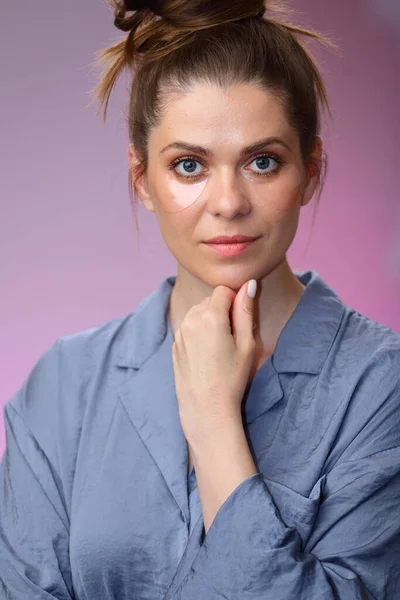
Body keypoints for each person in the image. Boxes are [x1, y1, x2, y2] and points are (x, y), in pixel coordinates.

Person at [1, 0, 399, 598]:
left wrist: (214, 425)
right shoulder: (65, 385)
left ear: (310, 171)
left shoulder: (381, 384)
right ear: (143, 182)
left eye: (263, 162)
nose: (228, 202)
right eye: (189, 165)